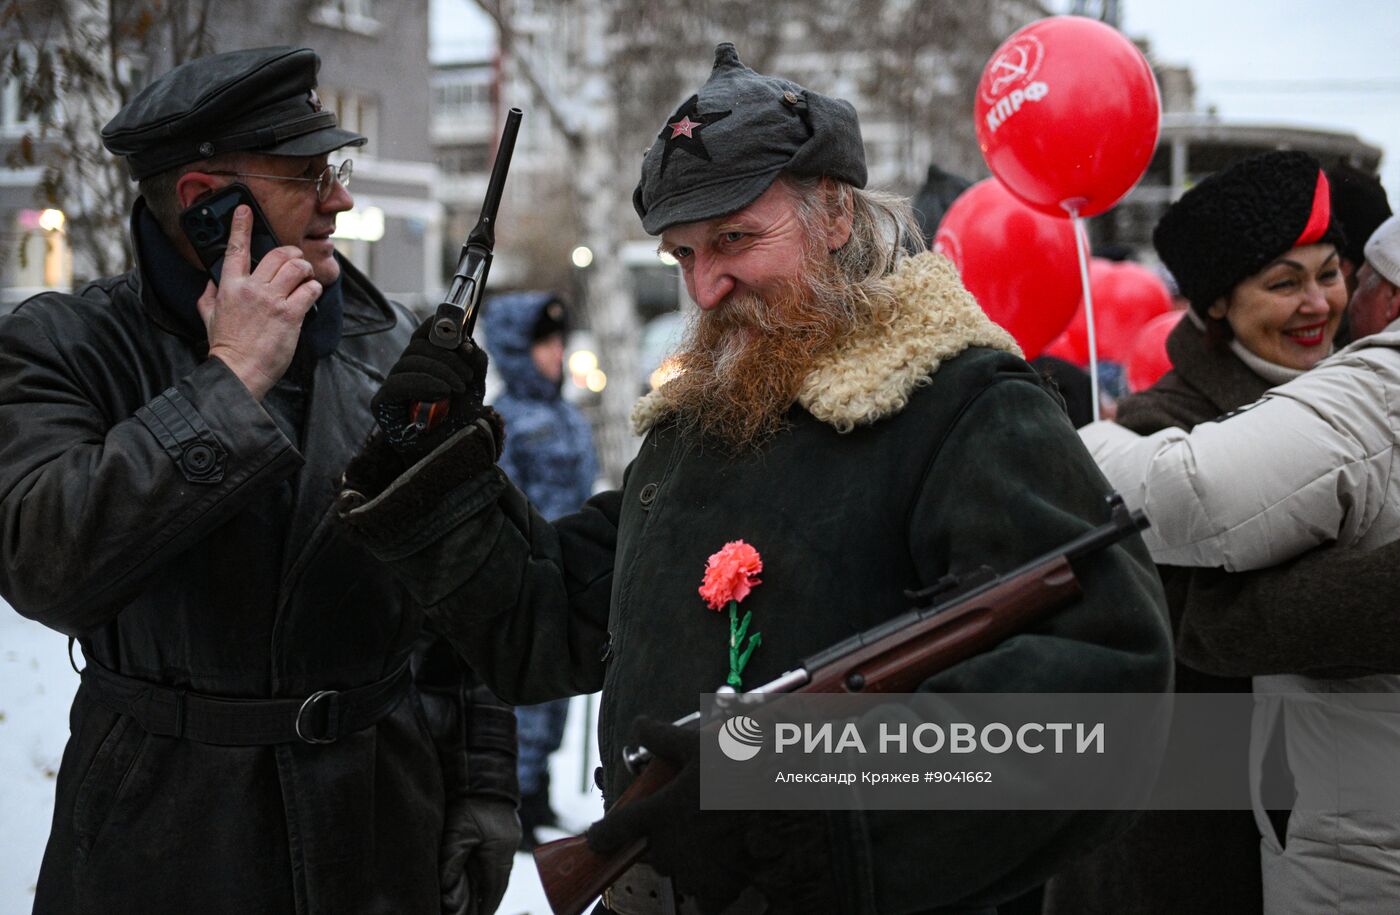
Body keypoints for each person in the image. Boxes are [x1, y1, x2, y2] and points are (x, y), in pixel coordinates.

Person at [339, 43, 1172, 915]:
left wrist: (812, 811)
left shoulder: (962, 404)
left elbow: (1101, 705)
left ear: (836, 214)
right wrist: (428, 465)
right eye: (682, 254)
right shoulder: (707, 425)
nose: (705, 286)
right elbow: (542, 623)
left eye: (735, 238)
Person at [0, 47, 519, 914]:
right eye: (310, 175)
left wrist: (483, 781)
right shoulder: (66, 346)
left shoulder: (393, 348)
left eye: (338, 169)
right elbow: (47, 563)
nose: (341, 199)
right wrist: (229, 380)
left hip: (382, 826)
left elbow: (461, 598)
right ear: (210, 205)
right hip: (166, 835)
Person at [1077, 164, 1400, 911]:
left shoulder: (1357, 400)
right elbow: (1198, 620)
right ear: (1219, 302)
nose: (1317, 304)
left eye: (1331, 274)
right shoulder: (1162, 429)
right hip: (1196, 818)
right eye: (1283, 284)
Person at [481, 292, 599, 848]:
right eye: (543, 344)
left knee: (555, 704)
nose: (556, 354)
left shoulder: (565, 415)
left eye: (559, 343)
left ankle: (541, 795)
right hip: (526, 580)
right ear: (516, 351)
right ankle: (518, 802)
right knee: (523, 707)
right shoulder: (505, 423)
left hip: (567, 577)